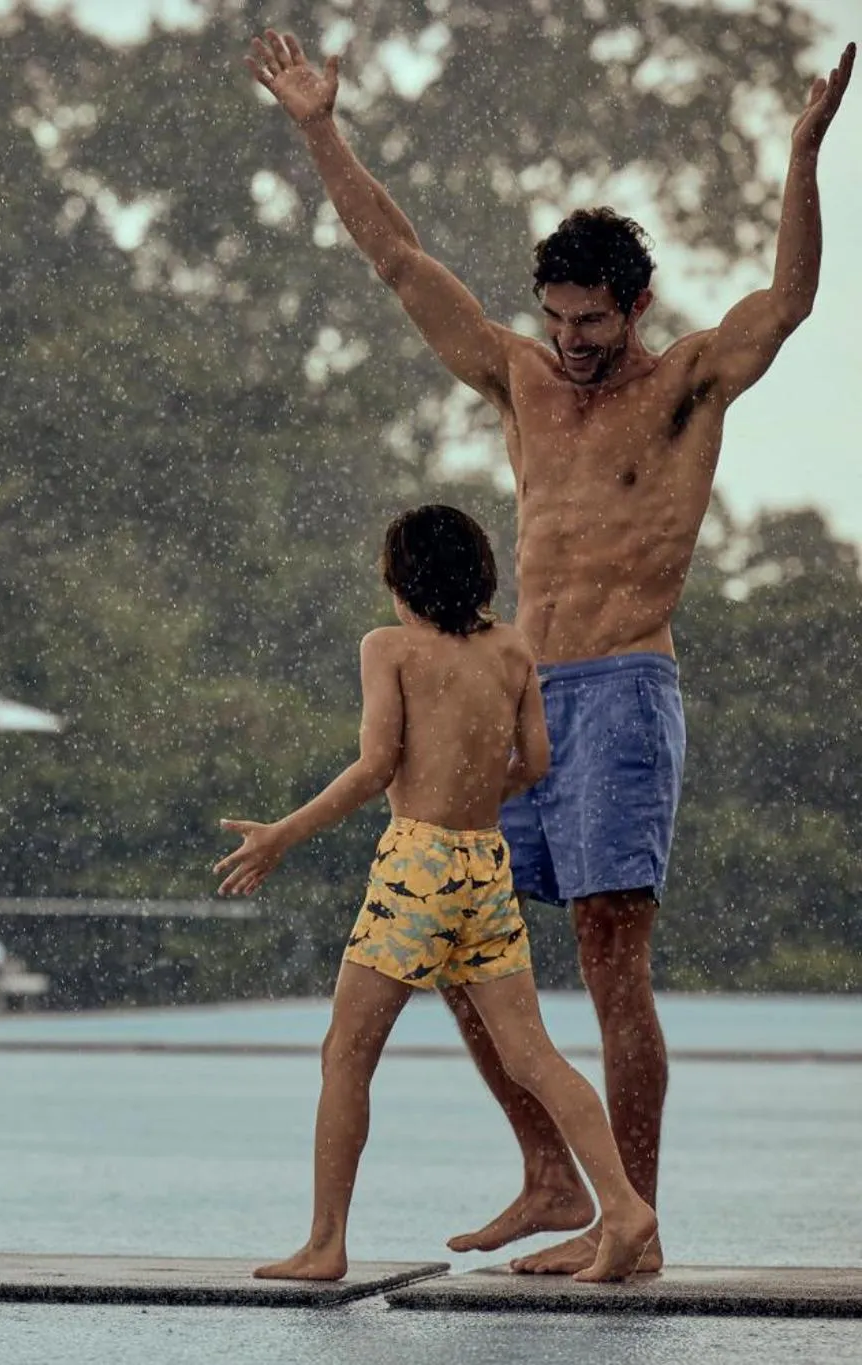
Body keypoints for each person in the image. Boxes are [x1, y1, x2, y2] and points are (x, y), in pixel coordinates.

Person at [245, 27, 852, 1274]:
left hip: (624, 689)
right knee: (460, 941)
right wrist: (318, 128)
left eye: (592, 318)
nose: (573, 338)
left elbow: (786, 301)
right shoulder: (522, 380)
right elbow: (399, 261)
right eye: (558, 316)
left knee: (608, 962)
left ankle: (629, 1218)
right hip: (515, 687)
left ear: (634, 305)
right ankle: (544, 1175)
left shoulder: (683, 383)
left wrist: (799, 154)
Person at [217, 505, 658, 1284]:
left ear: (401, 582)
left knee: (346, 1053)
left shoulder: (389, 648)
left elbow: (374, 765)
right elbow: (537, 760)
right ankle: (622, 1206)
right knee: (536, 1056)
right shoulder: (514, 649)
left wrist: (283, 834)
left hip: (415, 867)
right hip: (487, 864)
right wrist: (479, 789)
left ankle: (325, 1242)